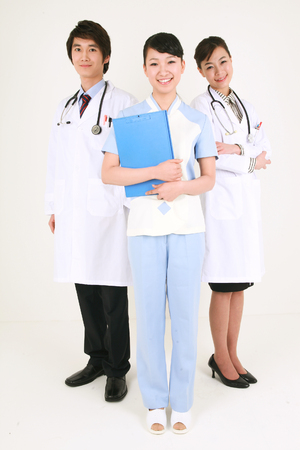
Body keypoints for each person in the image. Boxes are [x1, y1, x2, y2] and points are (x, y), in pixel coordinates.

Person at [102, 32, 217, 434]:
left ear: (183, 67)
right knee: (149, 316)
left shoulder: (198, 120)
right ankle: (154, 402)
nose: (162, 70)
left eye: (170, 62)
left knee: (185, 317)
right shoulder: (130, 119)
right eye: (154, 63)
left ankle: (182, 401)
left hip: (187, 229)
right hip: (145, 229)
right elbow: (109, 172)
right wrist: (154, 173)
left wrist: (177, 187)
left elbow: (207, 180)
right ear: (145, 69)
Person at [45, 20, 137, 402]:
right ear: (72, 55)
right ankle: (96, 358)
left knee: (112, 292)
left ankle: (117, 369)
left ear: (106, 57)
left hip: (110, 210)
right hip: (74, 211)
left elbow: (133, 159)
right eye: (79, 49)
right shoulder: (66, 107)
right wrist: (54, 205)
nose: (85, 56)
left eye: (92, 50)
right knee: (84, 286)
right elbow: (56, 161)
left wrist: (130, 206)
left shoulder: (123, 103)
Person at [190, 36, 271, 388]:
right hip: (221, 206)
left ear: (231, 61)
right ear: (200, 71)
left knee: (239, 286)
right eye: (209, 66)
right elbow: (211, 156)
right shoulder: (199, 106)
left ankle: (233, 353)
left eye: (222, 62)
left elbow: (266, 149)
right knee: (223, 286)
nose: (218, 71)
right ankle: (219, 357)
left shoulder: (247, 105)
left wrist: (240, 149)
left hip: (245, 208)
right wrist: (249, 158)